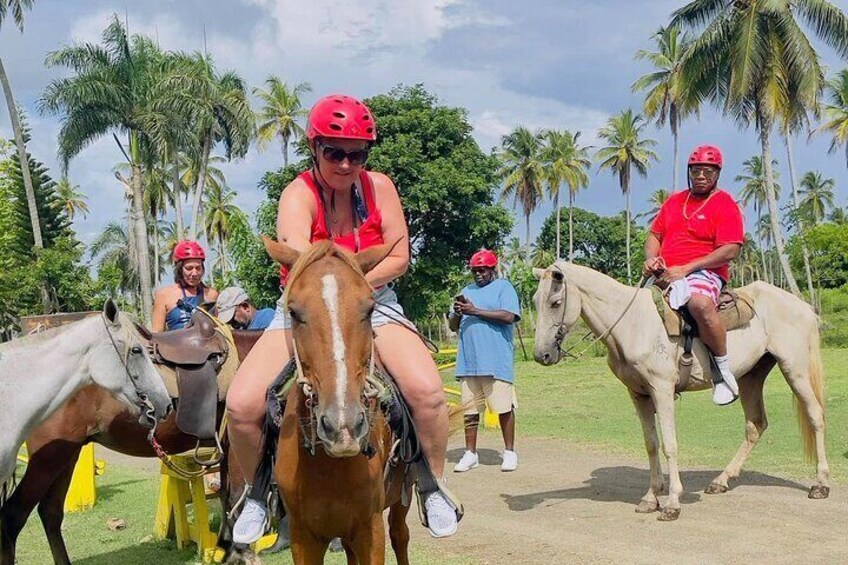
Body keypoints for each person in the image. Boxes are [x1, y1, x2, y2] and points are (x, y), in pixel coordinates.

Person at [225, 93, 460, 543]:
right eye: (334, 151)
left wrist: (354, 287)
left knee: (427, 393)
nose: (346, 163)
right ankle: (259, 493)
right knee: (241, 405)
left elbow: (400, 255)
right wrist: (341, 282)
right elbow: (303, 264)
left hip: (375, 301)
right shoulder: (297, 194)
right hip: (305, 307)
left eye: (357, 153)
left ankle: (432, 485)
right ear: (314, 148)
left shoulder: (381, 187)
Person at [643, 144, 744, 406]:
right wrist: (651, 259)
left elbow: (730, 250)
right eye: (696, 171)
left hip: (704, 273)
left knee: (699, 304)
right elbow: (655, 235)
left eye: (707, 172)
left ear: (717, 175)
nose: (701, 176)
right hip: (667, 273)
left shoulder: (724, 204)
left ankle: (722, 373)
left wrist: (686, 269)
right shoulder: (674, 201)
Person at [449, 249, 521, 473]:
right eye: (475, 270)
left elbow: (509, 316)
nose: (478, 274)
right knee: (470, 410)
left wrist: (475, 310)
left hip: (495, 361)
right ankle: (470, 453)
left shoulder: (503, 287)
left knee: (503, 407)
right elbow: (453, 326)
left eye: (483, 270)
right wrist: (459, 312)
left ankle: (509, 452)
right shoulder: (466, 290)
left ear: (492, 270)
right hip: (469, 361)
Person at [152, 240, 218, 332]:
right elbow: (156, 335)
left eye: (198, 268)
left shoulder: (212, 295)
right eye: (189, 268)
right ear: (179, 270)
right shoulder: (164, 295)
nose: (194, 273)